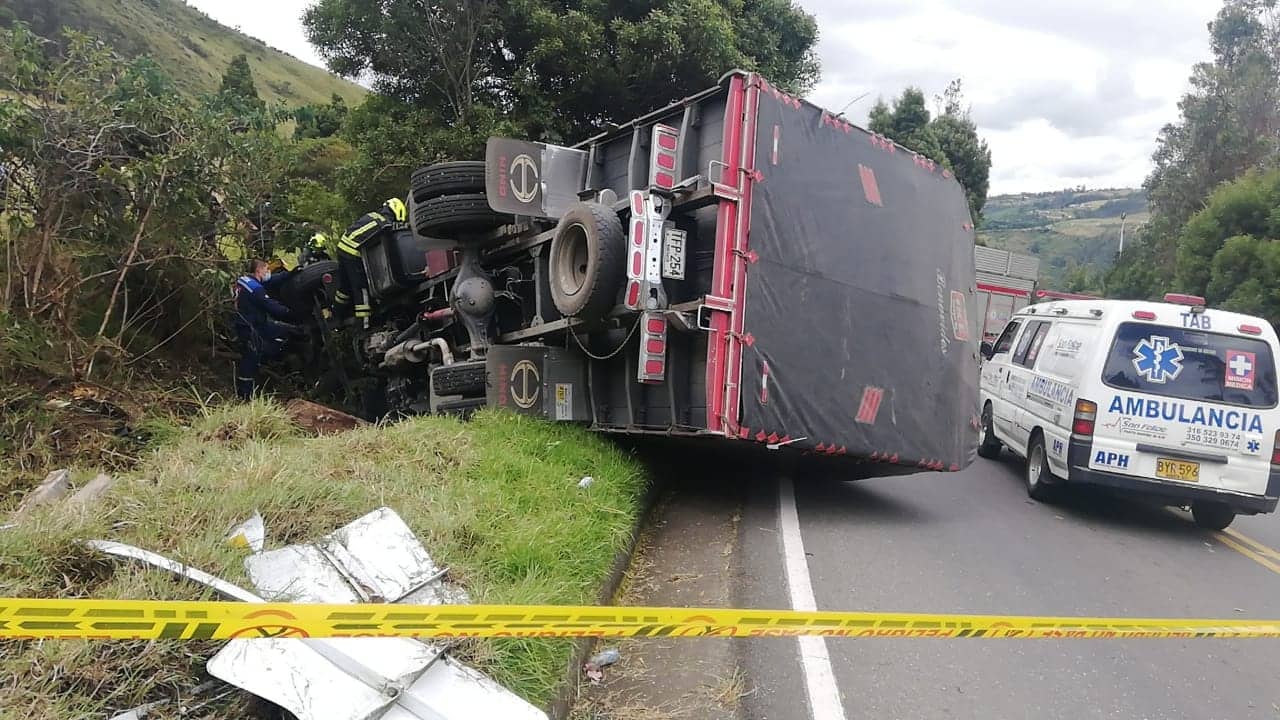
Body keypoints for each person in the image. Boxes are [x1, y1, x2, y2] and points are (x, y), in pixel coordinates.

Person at [233, 258, 299, 399]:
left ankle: (266, 359)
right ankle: (245, 395)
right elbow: (271, 306)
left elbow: (271, 280)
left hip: (253, 322)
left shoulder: (245, 280)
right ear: (259, 271)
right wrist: (290, 313)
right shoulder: (256, 290)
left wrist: (290, 274)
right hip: (249, 326)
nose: (269, 272)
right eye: (267, 269)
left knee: (284, 331)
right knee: (250, 358)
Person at [334, 197, 407, 326]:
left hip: (342, 249)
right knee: (362, 289)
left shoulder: (373, 215)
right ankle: (365, 324)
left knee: (345, 287)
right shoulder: (386, 224)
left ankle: (337, 316)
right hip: (353, 253)